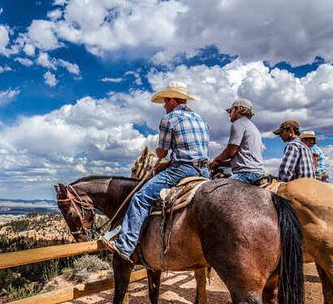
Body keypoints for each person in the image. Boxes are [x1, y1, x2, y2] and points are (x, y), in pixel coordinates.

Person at [101, 82, 209, 262]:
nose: (164, 106)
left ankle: (124, 246)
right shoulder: (200, 119)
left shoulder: (170, 119)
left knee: (140, 199)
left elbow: (163, 152)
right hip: (204, 171)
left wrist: (160, 154)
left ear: (173, 100)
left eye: (165, 101)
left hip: (182, 169)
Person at [208, 98, 265, 184]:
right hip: (257, 172)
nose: (229, 115)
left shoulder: (238, 124)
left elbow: (230, 151)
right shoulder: (253, 127)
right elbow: (241, 161)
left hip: (246, 173)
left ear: (238, 109)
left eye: (230, 111)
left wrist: (216, 160)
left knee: (216, 190)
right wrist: (220, 164)